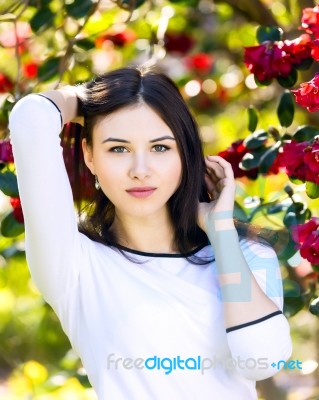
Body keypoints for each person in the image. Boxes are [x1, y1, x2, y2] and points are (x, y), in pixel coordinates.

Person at [9, 66, 292, 400]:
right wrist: (90, 98)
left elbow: (261, 361)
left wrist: (221, 233)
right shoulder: (75, 266)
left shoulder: (248, 255)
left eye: (160, 148)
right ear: (89, 155)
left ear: (184, 154)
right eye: (118, 148)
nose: (140, 171)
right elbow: (31, 118)